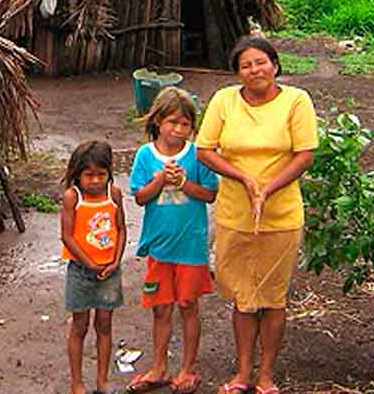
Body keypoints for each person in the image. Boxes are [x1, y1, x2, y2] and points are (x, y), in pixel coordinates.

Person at [195, 37, 318, 394]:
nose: (255, 70)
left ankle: (266, 376)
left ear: (275, 65)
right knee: (244, 297)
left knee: (273, 296)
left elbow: (304, 155)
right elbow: (205, 150)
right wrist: (245, 179)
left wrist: (268, 188)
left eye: (261, 62)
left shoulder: (296, 101)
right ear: (237, 73)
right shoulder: (224, 100)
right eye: (246, 65)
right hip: (235, 212)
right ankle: (242, 374)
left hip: (281, 215)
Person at [127, 87, 218, 394]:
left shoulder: (198, 154)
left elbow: (210, 194)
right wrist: (160, 180)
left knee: (188, 305)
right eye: (172, 122)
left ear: (192, 126)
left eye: (185, 124)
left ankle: (188, 369)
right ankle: (158, 368)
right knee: (161, 308)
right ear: (158, 121)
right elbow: (140, 197)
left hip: (191, 245)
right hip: (159, 246)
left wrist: (183, 183)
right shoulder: (144, 155)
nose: (178, 130)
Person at [60, 141, 127, 394]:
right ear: (78, 174)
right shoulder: (72, 197)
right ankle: (77, 383)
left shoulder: (115, 194)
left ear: (109, 173)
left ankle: (102, 380)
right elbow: (67, 236)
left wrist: (116, 261)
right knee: (80, 325)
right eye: (89, 175)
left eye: (101, 174)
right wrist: (89, 263)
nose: (96, 181)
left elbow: (121, 229)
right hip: (80, 271)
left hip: (110, 271)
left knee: (105, 324)